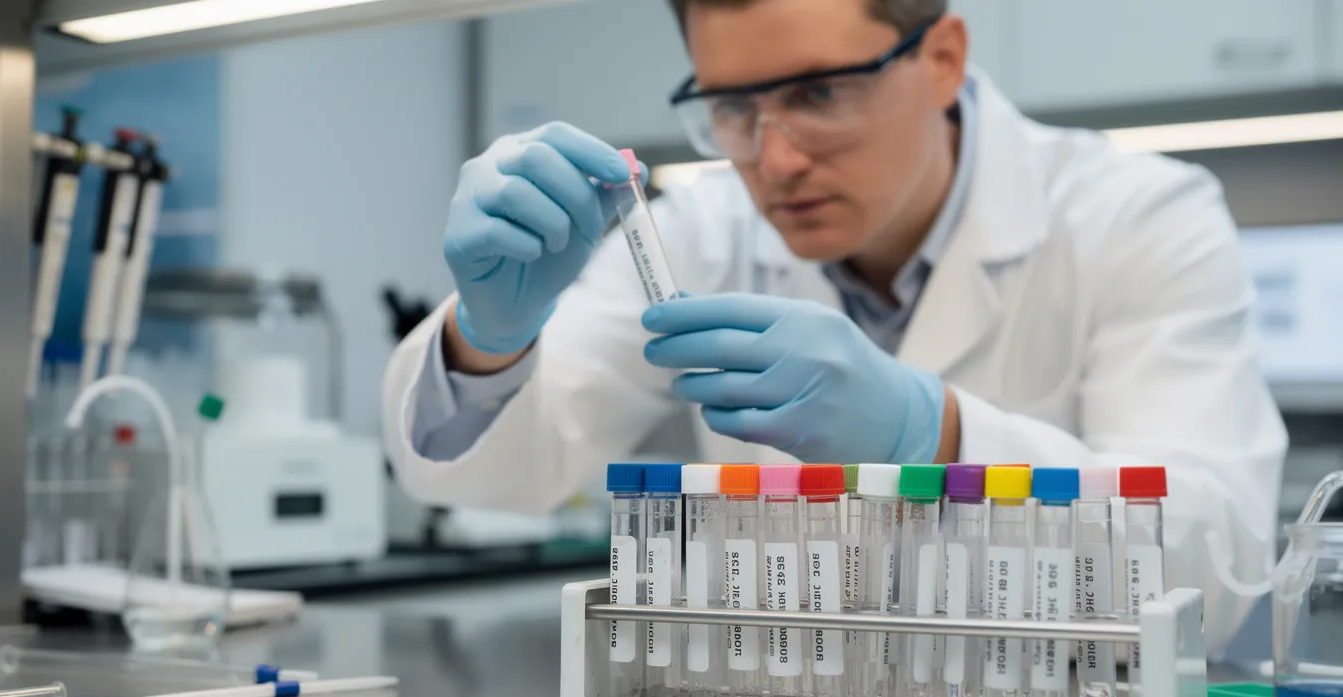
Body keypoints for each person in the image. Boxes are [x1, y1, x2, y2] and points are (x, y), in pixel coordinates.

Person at [382, 0, 1285, 655]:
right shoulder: (701, 230)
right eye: (732, 110)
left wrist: (939, 435)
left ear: (942, 58)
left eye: (819, 93)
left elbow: (1217, 566)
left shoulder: (1139, 217)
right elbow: (517, 469)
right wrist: (490, 338)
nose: (772, 160)